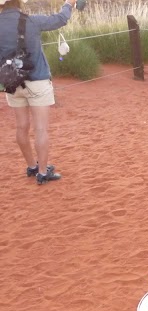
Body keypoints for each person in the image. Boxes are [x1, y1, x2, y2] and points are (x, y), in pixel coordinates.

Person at [1, 0, 76, 184]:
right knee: (40, 129)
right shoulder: (32, 21)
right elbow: (60, 20)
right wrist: (68, 4)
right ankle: (43, 172)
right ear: (19, 2)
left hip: (12, 82)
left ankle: (32, 166)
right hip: (37, 80)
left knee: (21, 127)